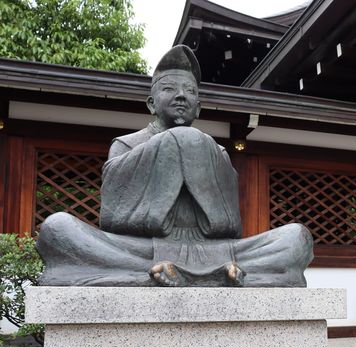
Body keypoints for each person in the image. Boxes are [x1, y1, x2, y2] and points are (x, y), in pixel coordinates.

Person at [36, 45, 313, 287]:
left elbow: (228, 225)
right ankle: (211, 275)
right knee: (57, 229)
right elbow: (112, 219)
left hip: (216, 251)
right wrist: (172, 145)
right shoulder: (126, 145)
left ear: (198, 107)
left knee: (296, 238)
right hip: (142, 249)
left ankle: (150, 276)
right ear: (151, 103)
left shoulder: (216, 151)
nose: (181, 96)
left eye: (189, 91)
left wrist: (192, 146)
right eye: (169, 89)